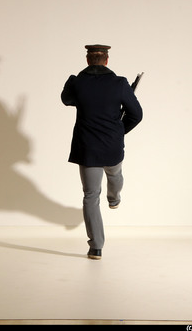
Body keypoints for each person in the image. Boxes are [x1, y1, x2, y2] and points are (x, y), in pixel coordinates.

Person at [61, 44, 143, 260]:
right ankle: (114, 199)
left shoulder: (76, 82)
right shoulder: (120, 83)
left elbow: (66, 99)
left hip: (88, 148)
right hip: (112, 145)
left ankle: (95, 247)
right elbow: (136, 114)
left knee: (90, 196)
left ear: (88, 60)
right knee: (115, 175)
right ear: (107, 61)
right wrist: (119, 132)